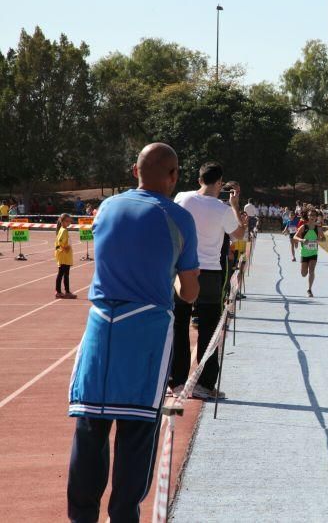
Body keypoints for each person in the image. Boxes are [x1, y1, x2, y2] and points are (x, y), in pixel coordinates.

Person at [67, 143, 200, 522]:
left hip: (100, 326)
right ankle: (124, 517)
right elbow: (189, 292)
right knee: (138, 431)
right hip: (145, 330)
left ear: (133, 170)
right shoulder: (178, 218)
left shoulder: (106, 208)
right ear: (173, 175)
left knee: (91, 426)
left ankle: (81, 516)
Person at [170, 161, 245, 400]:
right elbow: (239, 236)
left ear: (199, 179)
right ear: (220, 183)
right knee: (209, 329)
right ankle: (204, 384)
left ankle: (177, 382)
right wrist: (234, 205)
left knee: (179, 325)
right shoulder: (222, 209)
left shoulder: (182, 197)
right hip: (210, 273)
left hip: (181, 270)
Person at [294, 209, 326, 297]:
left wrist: (318, 239)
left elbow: (324, 238)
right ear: (308, 216)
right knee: (304, 274)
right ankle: (305, 275)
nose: (312, 217)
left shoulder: (318, 228)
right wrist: (301, 240)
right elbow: (295, 236)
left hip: (313, 252)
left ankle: (309, 289)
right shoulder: (304, 227)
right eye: (310, 215)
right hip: (304, 253)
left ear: (316, 217)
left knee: (312, 270)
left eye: (313, 215)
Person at [54, 213, 77, 299]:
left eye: (69, 221)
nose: (69, 223)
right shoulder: (63, 230)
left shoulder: (62, 229)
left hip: (64, 255)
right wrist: (66, 247)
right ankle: (63, 292)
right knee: (63, 274)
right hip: (64, 255)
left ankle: (61, 291)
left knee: (63, 273)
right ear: (62, 221)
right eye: (67, 221)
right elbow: (60, 242)